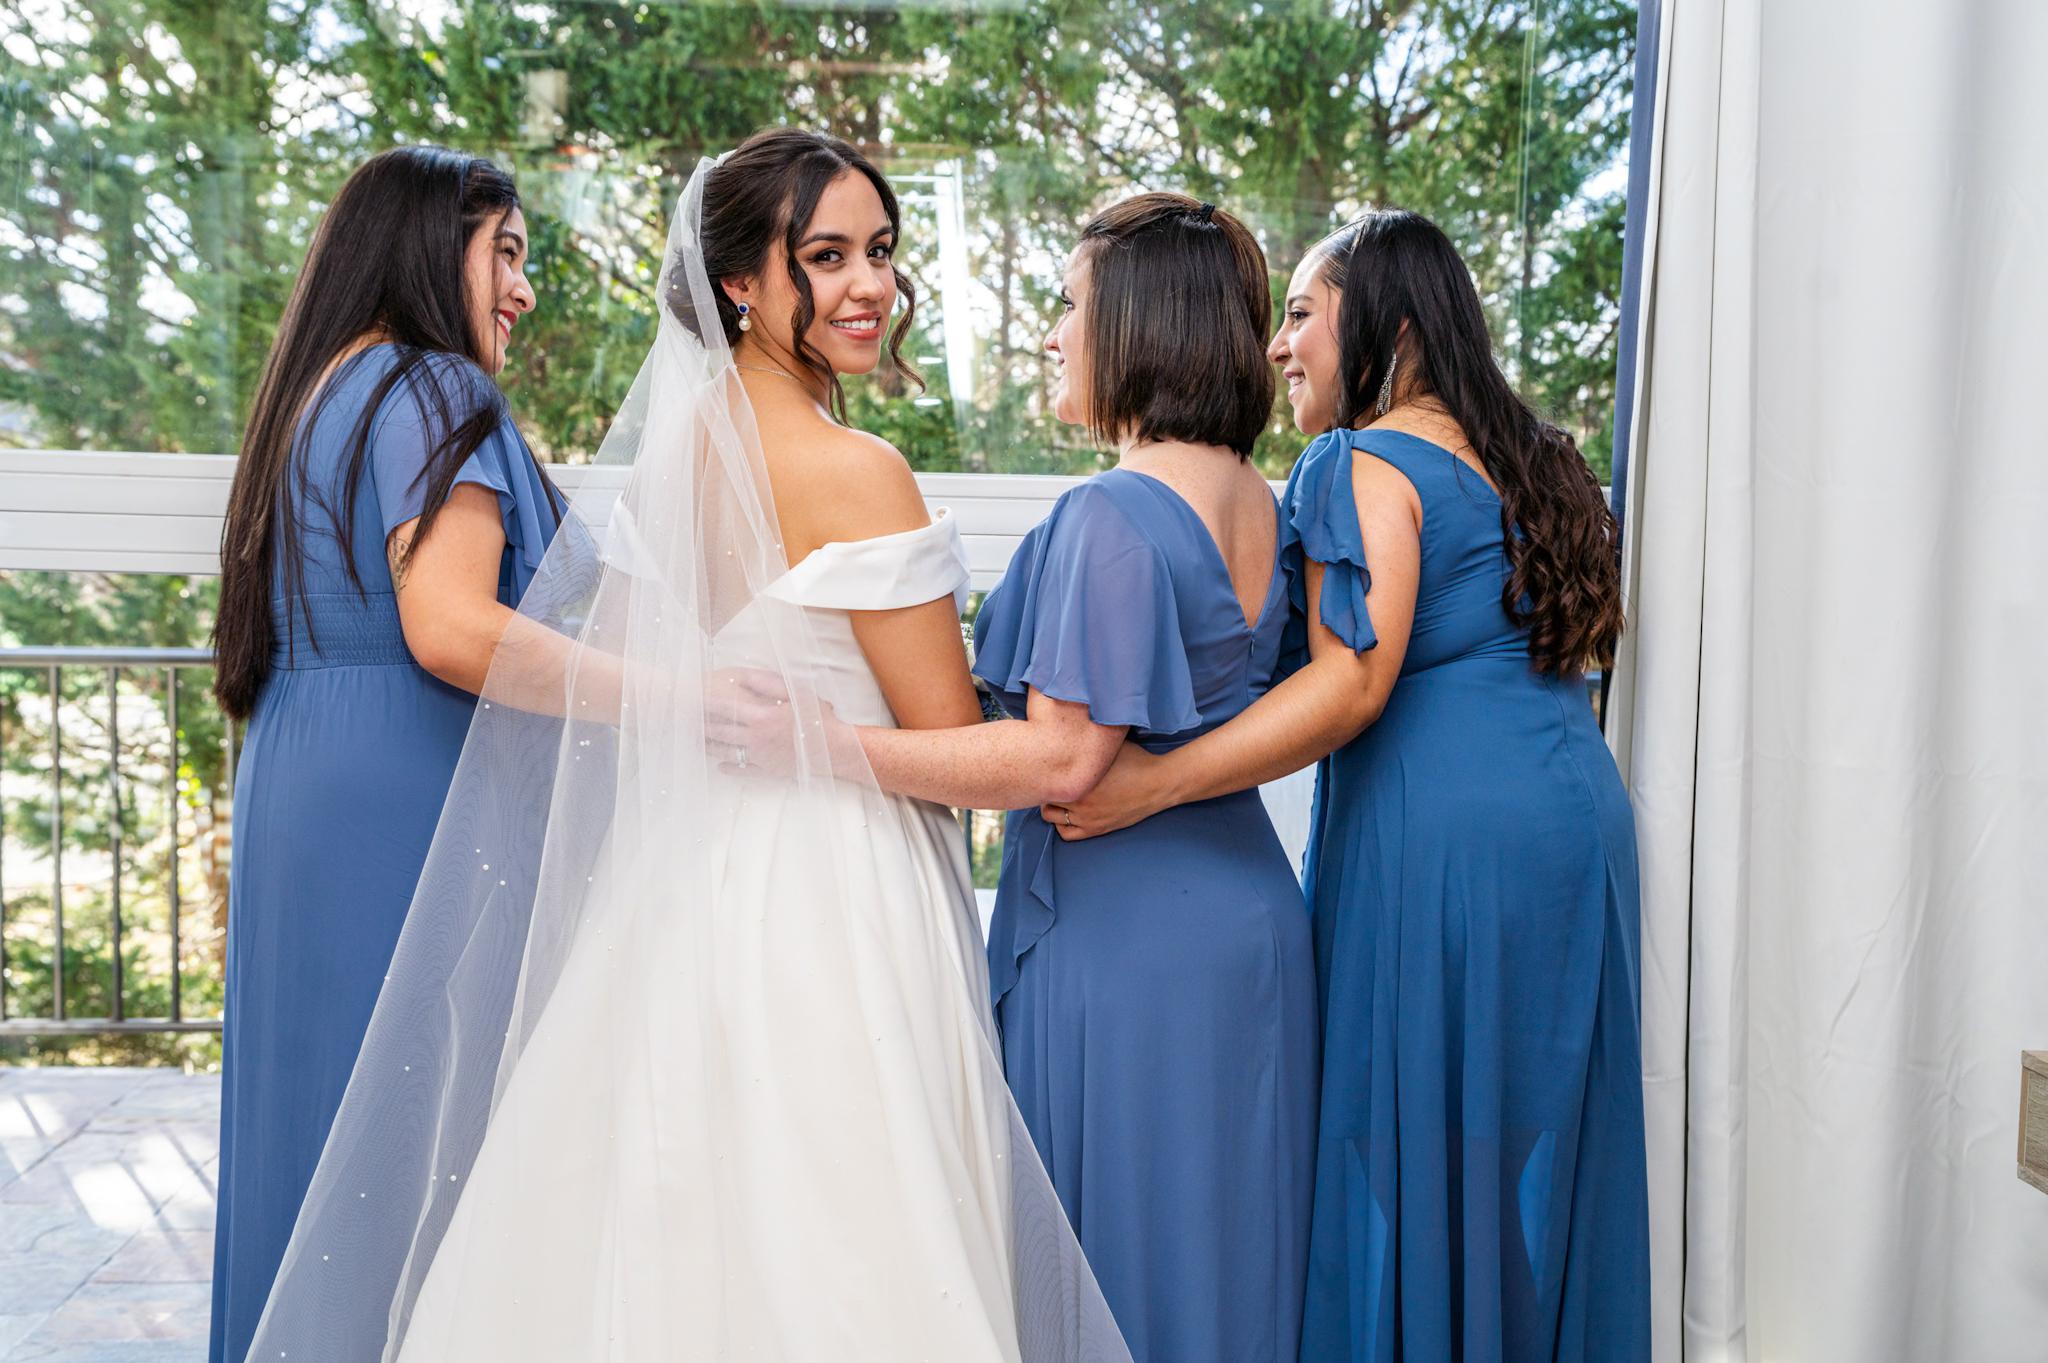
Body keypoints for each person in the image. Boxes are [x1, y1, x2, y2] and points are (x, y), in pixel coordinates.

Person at [242, 129, 1129, 1363]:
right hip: (832, 890)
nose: (869, 285)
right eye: (826, 256)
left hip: (673, 885)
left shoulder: (674, 459)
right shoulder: (859, 471)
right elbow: (949, 744)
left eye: (880, 251)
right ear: (740, 284)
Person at [728, 192, 1318, 1362]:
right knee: (1227, 1264)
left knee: (1111, 1278)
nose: (1052, 334)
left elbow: (1061, 758)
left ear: (1138, 322)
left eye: (1068, 304)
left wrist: (827, 745)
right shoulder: (1260, 500)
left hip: (1126, 947)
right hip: (1247, 925)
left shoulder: (1112, 511)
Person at [1052, 210, 1652, 1361]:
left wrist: (1154, 782)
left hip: (1445, 845)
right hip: (1574, 821)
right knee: (1516, 1140)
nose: (1277, 345)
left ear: (1393, 325)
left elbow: (1348, 683)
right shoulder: (1533, 457)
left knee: (1404, 1137)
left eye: (1300, 315)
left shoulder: (1360, 459)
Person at [206, 145, 560, 1363]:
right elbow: (452, 627)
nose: (521, 289)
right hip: (408, 784)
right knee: (411, 1147)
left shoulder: (310, 397)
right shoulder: (433, 387)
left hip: (302, 775)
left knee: (314, 1125)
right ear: (423, 245)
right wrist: (678, 697)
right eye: (504, 252)